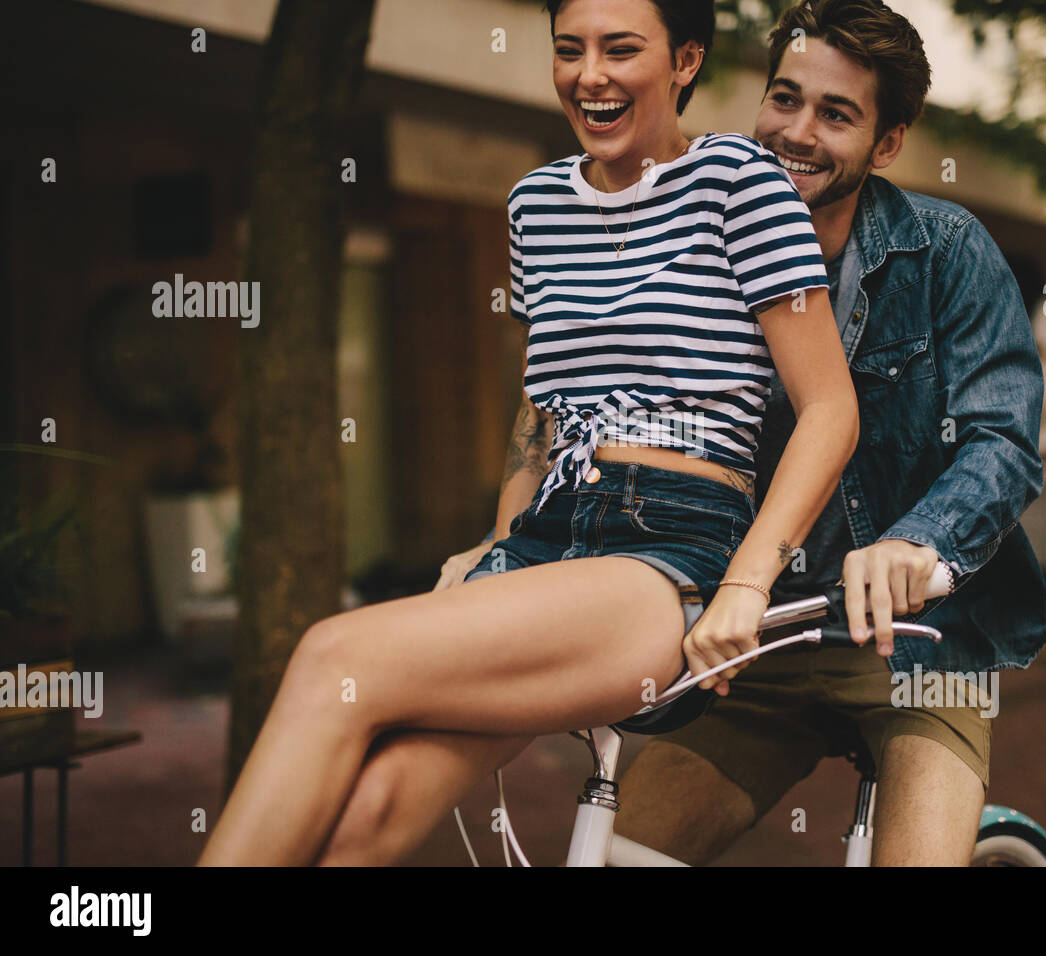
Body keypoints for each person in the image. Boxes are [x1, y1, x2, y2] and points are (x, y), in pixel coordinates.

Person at [306, 0, 1046, 868]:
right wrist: (502, 542)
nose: (797, 133)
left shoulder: (947, 249)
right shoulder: (696, 225)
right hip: (751, 642)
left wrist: (917, 545)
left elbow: (1002, 438)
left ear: (886, 144)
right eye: (785, 99)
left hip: (919, 646)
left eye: (836, 114)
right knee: (621, 857)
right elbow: (564, 402)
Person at [197, 0, 858, 866]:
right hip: (548, 533)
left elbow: (829, 410)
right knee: (372, 807)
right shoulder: (535, 205)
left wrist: (747, 584)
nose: (591, 75)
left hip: (673, 550)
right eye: (569, 50)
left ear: (686, 61)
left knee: (331, 653)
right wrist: (498, 544)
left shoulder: (743, 182)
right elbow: (541, 409)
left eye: (622, 49)